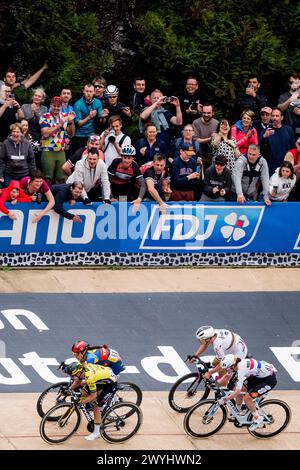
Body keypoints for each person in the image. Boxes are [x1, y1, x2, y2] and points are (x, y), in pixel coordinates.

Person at [216, 354, 277, 431]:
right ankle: (237, 411)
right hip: (259, 376)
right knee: (241, 389)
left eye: (227, 368)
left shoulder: (241, 369)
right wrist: (216, 384)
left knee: (247, 398)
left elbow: (237, 392)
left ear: (233, 365)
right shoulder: (235, 364)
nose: (227, 370)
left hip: (268, 380)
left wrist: (225, 399)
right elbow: (227, 376)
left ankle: (258, 418)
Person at [63, 361, 117, 441]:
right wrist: (69, 389)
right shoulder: (83, 370)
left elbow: (93, 395)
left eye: (72, 375)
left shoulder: (89, 377)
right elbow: (78, 381)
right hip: (101, 377)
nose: (71, 377)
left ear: (79, 373)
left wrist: (81, 402)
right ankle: (96, 404)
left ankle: (96, 432)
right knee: (83, 392)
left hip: (110, 383)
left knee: (96, 407)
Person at [39, 96, 75, 184]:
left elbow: (71, 134)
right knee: (48, 178)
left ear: (61, 106)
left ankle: (57, 197)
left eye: (58, 106)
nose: (56, 108)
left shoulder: (64, 116)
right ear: (51, 105)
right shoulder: (45, 116)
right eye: (54, 105)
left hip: (60, 150)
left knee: (60, 178)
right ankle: (45, 196)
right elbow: (45, 133)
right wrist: (59, 125)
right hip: (48, 149)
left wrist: (70, 122)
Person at [107, 144, 146, 212]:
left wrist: (139, 199)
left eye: (129, 158)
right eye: (125, 158)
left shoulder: (134, 166)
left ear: (133, 158)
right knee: (112, 203)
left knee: (122, 205)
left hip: (124, 188)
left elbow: (143, 185)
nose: (127, 161)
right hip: (112, 186)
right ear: (121, 157)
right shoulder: (116, 162)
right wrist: (111, 196)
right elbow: (107, 181)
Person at [260, 108, 295, 176]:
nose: (274, 118)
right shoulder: (266, 131)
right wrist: (264, 137)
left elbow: (293, 148)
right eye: (273, 116)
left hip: (285, 167)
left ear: (282, 117)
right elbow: (260, 150)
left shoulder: (288, 130)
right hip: (270, 168)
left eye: (277, 116)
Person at [0, 123, 36, 187]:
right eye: (13, 131)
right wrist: (1, 175)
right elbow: (1, 160)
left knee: (23, 194)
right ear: (11, 133)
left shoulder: (27, 143)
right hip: (9, 175)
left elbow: (31, 160)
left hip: (24, 174)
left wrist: (33, 176)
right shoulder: (5, 143)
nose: (15, 134)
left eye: (17, 132)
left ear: (21, 133)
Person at [71, 83, 103, 153]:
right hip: (80, 135)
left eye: (90, 91)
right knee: (79, 156)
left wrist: (103, 116)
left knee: (92, 156)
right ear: (83, 91)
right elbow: (78, 123)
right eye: (87, 91)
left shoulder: (98, 102)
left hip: (92, 134)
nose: (88, 93)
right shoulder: (78, 104)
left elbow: (101, 120)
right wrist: (89, 117)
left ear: (94, 92)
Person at [192, 104, 219, 170]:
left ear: (213, 113)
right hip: (200, 153)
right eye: (204, 113)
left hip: (213, 153)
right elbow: (195, 140)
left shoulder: (216, 123)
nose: (206, 115)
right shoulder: (196, 123)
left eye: (209, 113)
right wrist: (210, 138)